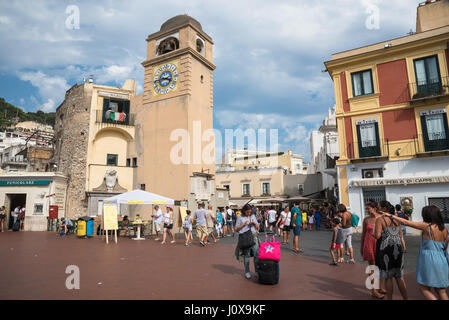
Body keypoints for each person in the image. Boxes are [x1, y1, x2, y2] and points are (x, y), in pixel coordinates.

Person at [389, 205, 449, 300]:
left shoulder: (427, 226)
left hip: (429, 260)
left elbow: (406, 222)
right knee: (441, 290)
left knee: (423, 288)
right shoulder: (444, 229)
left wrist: (390, 216)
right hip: (441, 259)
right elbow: (445, 247)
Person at [374, 200, 408, 300]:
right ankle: (405, 298)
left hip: (386, 249)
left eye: (379, 206)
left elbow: (377, 236)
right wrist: (404, 247)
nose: (377, 208)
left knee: (388, 276)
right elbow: (400, 236)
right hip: (397, 248)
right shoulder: (396, 219)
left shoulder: (380, 219)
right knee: (399, 276)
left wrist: (373, 233)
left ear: (384, 209)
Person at [360, 201, 384, 299]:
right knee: (372, 267)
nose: (367, 210)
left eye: (368, 208)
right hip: (369, 244)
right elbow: (363, 234)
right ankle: (373, 290)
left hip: (379, 244)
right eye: (366, 208)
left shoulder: (381, 218)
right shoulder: (366, 220)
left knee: (381, 266)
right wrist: (361, 247)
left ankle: (380, 287)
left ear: (374, 208)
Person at [234, 204, 260, 279]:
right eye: (247, 212)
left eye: (250, 212)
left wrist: (255, 224)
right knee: (247, 255)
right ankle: (247, 271)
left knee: (256, 254)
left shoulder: (253, 216)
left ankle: (257, 271)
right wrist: (244, 225)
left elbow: (258, 227)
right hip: (245, 237)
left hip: (254, 236)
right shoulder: (240, 217)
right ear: (244, 211)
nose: (249, 214)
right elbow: (236, 229)